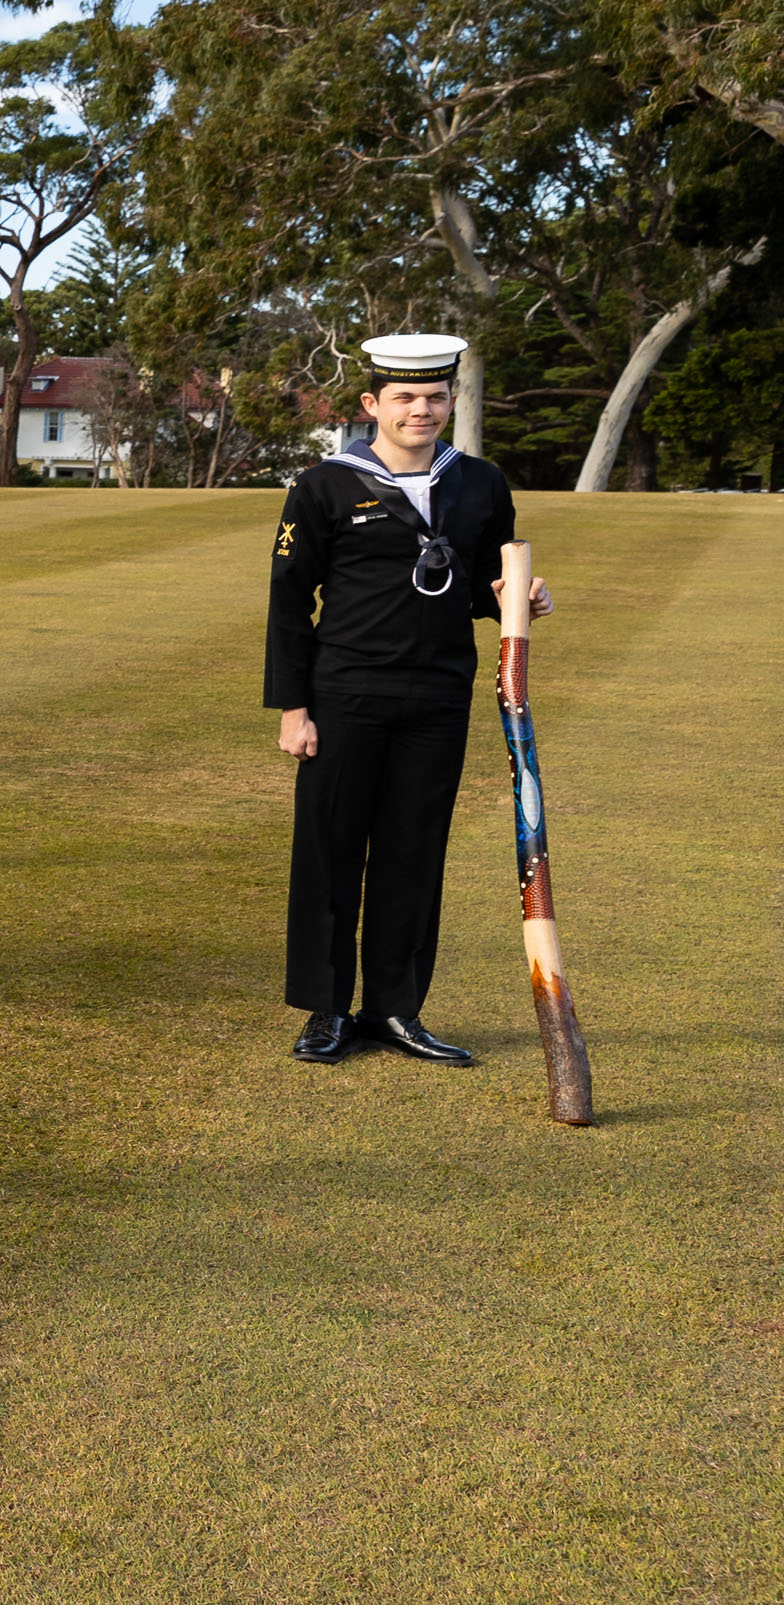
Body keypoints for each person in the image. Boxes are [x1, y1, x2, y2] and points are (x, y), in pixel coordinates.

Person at [267, 332, 545, 1066]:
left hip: (439, 696)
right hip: (345, 692)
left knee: (413, 853)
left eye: (434, 396)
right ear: (373, 404)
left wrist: (519, 597)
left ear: (451, 399)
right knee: (331, 851)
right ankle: (326, 1011)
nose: (421, 409)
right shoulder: (323, 483)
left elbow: (486, 579)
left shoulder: (480, 481)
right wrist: (294, 710)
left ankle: (395, 1009)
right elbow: (290, 602)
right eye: (404, 397)